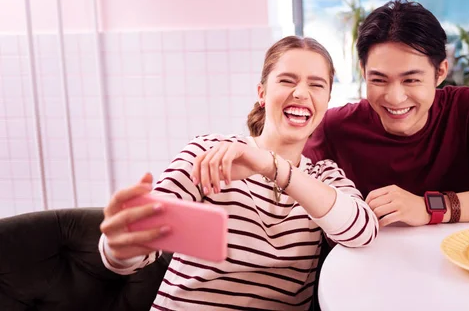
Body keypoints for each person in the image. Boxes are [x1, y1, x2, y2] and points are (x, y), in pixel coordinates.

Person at [98, 36, 378, 310]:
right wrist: (119, 249)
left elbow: (363, 230)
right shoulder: (208, 151)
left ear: (327, 101)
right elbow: (143, 241)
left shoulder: (323, 177)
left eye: (316, 85)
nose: (301, 93)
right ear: (262, 94)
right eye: (287, 80)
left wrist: (270, 165)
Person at [303, 0, 469, 228]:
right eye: (379, 80)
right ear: (363, 71)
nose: (394, 97)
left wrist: (430, 208)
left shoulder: (467, 108)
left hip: (453, 260)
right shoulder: (334, 126)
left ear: (441, 72)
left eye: (411, 80)